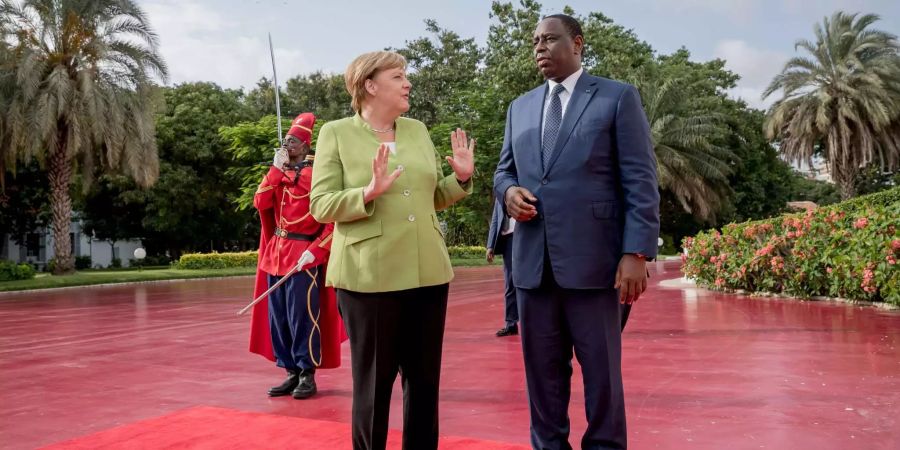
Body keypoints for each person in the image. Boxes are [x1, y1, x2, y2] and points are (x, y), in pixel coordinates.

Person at [493, 14, 660, 450]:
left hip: (597, 265)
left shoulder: (616, 97)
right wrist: (508, 192)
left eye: (550, 40)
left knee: (602, 375)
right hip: (533, 266)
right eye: (535, 42)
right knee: (543, 376)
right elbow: (503, 170)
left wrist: (636, 253)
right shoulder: (520, 107)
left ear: (578, 43)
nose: (540, 49)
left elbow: (640, 180)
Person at [309, 50, 474, 450]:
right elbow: (321, 204)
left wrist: (462, 178)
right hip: (369, 277)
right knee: (374, 384)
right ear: (369, 85)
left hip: (428, 273)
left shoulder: (417, 130)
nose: (408, 84)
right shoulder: (336, 133)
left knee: (423, 382)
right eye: (399, 77)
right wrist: (367, 192)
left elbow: (429, 197)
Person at [248, 112, 345, 400]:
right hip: (275, 255)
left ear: (305, 145)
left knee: (302, 317)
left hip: (303, 256)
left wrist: (315, 252)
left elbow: (331, 222)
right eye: (285, 141)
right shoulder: (276, 174)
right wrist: (275, 171)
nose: (286, 146)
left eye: (291, 141)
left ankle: (306, 372)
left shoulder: (317, 177)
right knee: (278, 318)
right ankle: (289, 370)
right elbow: (260, 202)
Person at [486, 198, 519, 336]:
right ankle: (511, 324)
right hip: (508, 241)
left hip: (526, 236)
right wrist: (490, 245)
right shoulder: (502, 190)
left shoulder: (528, 183)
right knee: (510, 283)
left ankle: (537, 323)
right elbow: (495, 219)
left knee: (531, 280)